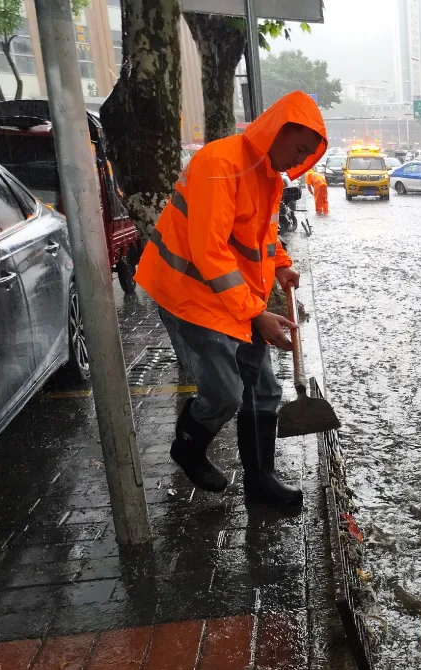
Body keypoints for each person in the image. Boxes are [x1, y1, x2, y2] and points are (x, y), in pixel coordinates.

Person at [134, 90, 328, 507]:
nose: (298, 161)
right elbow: (210, 250)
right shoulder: (219, 164)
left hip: (235, 297)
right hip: (188, 293)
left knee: (263, 390)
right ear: (277, 130)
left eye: (306, 155)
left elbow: (263, 236)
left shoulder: (270, 178)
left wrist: (280, 266)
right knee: (225, 393)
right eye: (297, 148)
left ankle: (260, 480)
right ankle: (188, 445)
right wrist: (257, 313)